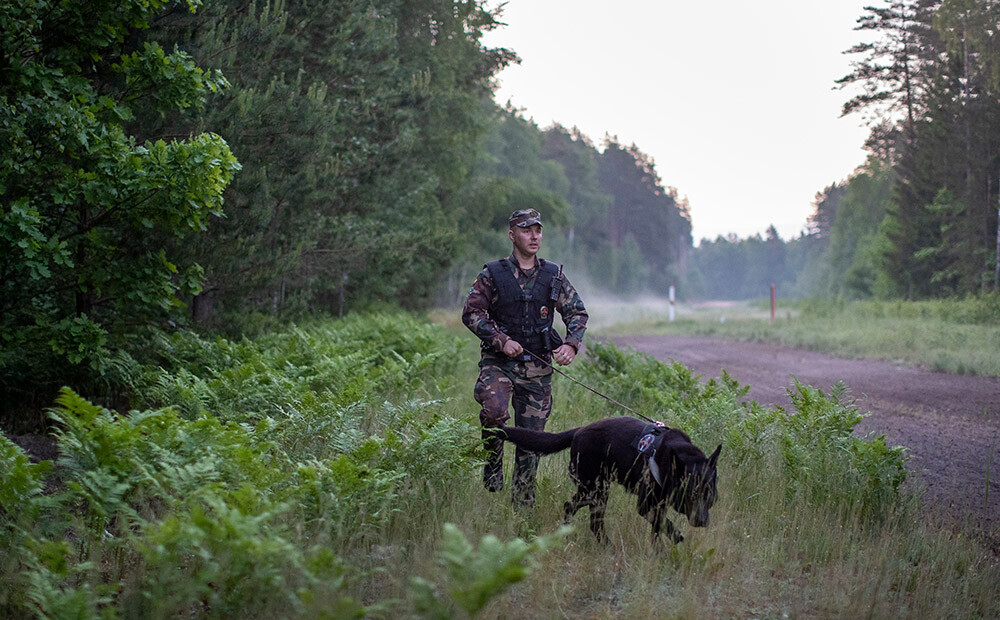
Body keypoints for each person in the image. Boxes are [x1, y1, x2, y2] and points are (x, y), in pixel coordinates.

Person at [462, 208, 588, 507]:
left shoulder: (552, 275)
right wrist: (500, 340)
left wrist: (570, 345)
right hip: (499, 363)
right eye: (526, 230)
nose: (534, 236)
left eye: (538, 230)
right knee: (493, 412)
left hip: (537, 369)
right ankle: (493, 461)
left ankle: (522, 508)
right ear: (512, 235)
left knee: (531, 441)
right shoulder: (493, 274)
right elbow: (472, 313)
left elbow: (577, 312)